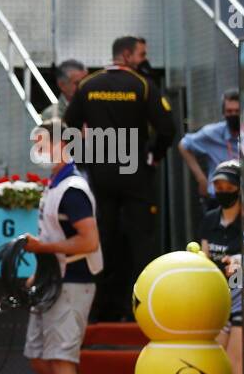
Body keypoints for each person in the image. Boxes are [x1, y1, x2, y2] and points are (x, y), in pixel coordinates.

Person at [62, 35, 175, 322]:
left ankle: (98, 310)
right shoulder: (142, 85)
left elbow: (68, 127)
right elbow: (167, 128)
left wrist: (85, 156)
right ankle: (140, 308)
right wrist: (154, 155)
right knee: (141, 240)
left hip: (100, 174)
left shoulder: (89, 85)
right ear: (126, 55)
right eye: (141, 54)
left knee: (102, 239)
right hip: (135, 172)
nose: (144, 59)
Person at [21, 120, 115, 374]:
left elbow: (89, 241)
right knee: (38, 357)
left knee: (62, 361)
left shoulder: (73, 188)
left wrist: (40, 252)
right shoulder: (55, 185)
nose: (39, 151)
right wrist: (37, 272)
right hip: (53, 282)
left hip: (74, 282)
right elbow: (50, 237)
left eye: (44, 143)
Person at [200, 161, 243, 374]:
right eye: (218, 185)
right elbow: (205, 261)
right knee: (214, 369)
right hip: (217, 299)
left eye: (228, 185)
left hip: (243, 297)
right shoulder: (209, 219)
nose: (222, 189)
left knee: (234, 371)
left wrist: (239, 264)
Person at [179, 89, 239, 207]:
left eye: (237, 111)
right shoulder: (212, 133)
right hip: (219, 198)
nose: (233, 115)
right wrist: (201, 178)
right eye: (229, 111)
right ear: (223, 113)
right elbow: (183, 145)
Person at [41, 59, 86, 123]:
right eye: (77, 83)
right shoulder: (51, 115)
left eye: (86, 82)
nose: (83, 87)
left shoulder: (96, 108)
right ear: (62, 85)